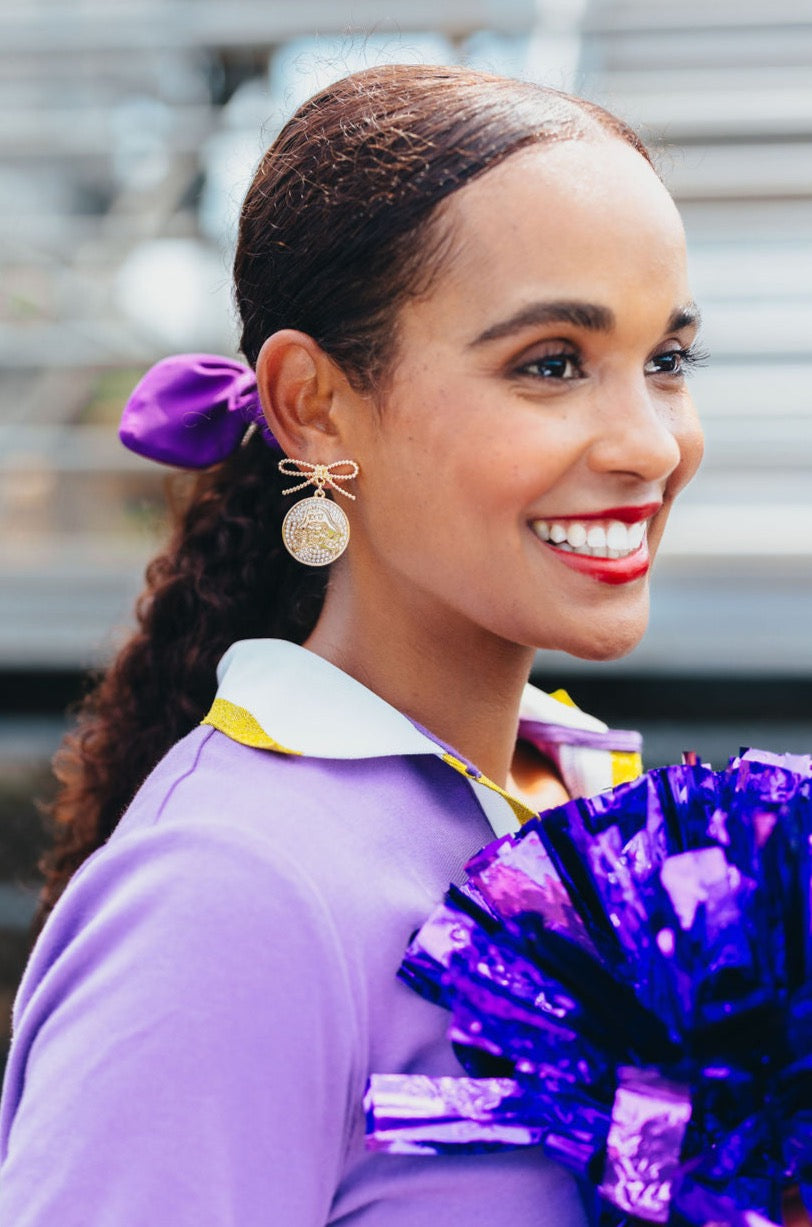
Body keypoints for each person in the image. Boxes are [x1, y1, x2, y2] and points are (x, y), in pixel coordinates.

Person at [0, 64, 704, 1225]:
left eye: (666, 361)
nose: (647, 445)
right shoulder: (227, 896)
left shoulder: (584, 800)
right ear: (315, 406)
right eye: (549, 364)